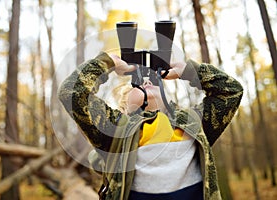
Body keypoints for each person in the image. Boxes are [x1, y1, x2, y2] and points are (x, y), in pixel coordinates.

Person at [58, 52, 243, 200]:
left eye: (153, 81)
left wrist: (189, 71)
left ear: (168, 99)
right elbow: (72, 92)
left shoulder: (192, 122)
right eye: (136, 86)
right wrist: (108, 62)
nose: (146, 81)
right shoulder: (116, 127)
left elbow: (231, 92)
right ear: (125, 107)